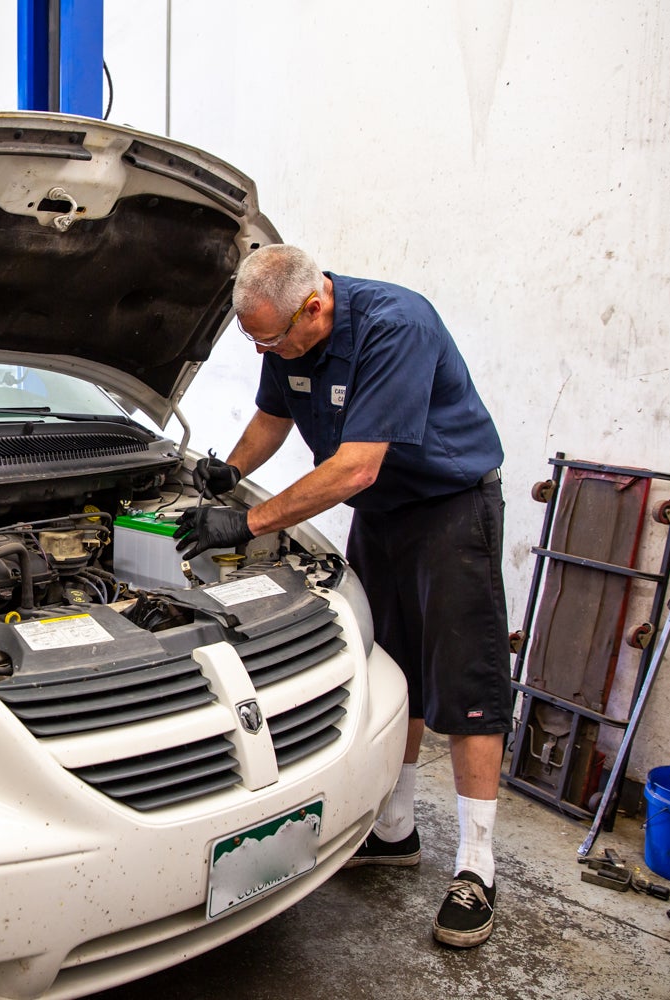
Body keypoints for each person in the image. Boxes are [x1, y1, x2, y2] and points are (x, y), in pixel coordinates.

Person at [175, 244, 511, 948]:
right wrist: (223, 474)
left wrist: (249, 520)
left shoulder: (397, 327)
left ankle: (477, 869)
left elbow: (356, 467)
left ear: (315, 307)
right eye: (253, 340)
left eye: (269, 338)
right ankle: (393, 831)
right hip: (383, 517)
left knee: (465, 687)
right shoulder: (285, 330)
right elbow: (275, 416)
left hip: (450, 511)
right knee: (392, 669)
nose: (265, 349)